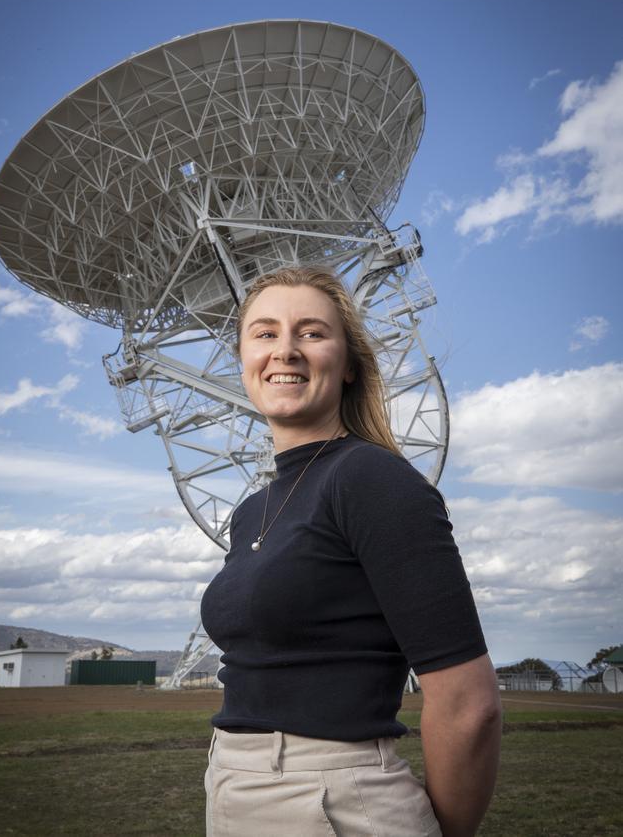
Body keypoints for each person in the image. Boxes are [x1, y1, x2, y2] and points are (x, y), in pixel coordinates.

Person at [200, 265, 501, 836]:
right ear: (242, 362)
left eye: (311, 333)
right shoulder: (252, 512)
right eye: (264, 334)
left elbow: (468, 705)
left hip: (332, 798)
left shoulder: (371, 479)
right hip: (233, 785)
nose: (284, 350)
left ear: (350, 366)